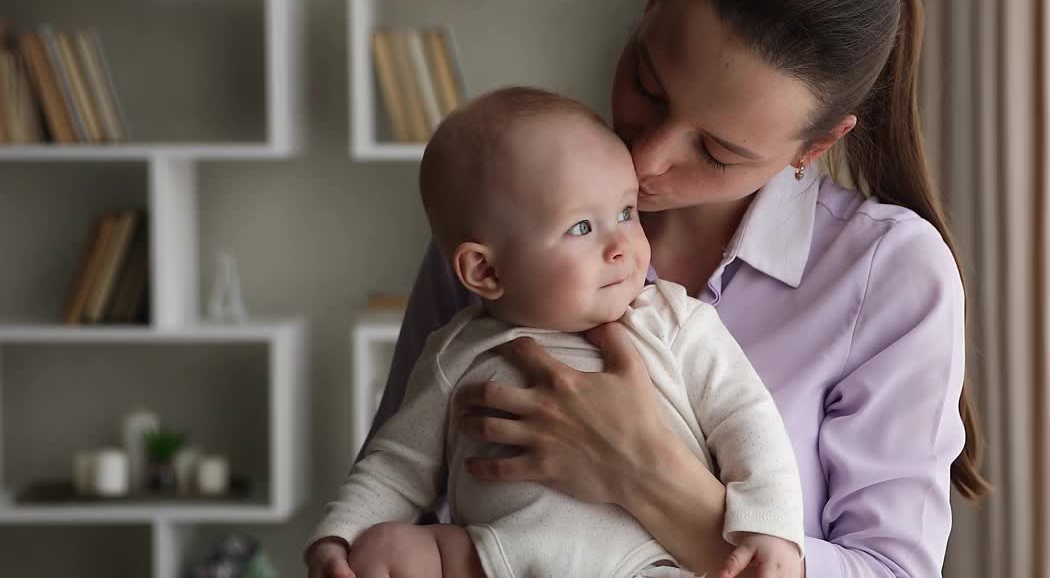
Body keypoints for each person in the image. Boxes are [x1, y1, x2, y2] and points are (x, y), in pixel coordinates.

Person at [363, 0, 988, 578]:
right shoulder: (507, 217)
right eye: (648, 86)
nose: (649, 158)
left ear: (812, 148)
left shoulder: (886, 273)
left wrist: (645, 473)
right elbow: (398, 494)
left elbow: (894, 569)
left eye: (717, 153)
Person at [304, 88, 805, 578]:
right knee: (382, 551)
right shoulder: (458, 351)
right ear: (485, 271)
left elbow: (748, 422)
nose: (620, 246)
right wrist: (340, 536)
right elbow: (397, 465)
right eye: (583, 228)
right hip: (488, 558)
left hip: (643, 565)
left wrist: (772, 528)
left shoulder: (675, 323)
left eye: (626, 212)